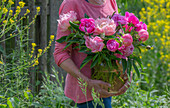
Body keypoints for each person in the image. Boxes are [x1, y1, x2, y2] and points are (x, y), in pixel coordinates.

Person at [53, 0, 131, 107]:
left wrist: (126, 70)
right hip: (85, 96)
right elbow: (60, 53)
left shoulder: (110, 1)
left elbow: (118, 42)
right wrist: (88, 82)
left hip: (107, 89)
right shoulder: (72, 3)